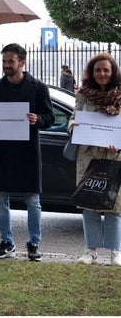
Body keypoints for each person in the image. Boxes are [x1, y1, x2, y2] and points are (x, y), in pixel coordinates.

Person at [0, 43, 54, 261]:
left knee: (33, 200)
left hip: (28, 152)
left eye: (11, 61)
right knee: (0, 198)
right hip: (2, 151)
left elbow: (50, 118)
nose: (6, 65)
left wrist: (37, 119)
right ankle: (7, 242)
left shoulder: (38, 88)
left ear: (23, 62)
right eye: (4, 61)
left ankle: (34, 243)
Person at [68, 52, 121, 266]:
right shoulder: (84, 93)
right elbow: (74, 116)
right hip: (88, 155)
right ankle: (90, 251)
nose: (101, 74)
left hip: (114, 155)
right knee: (88, 202)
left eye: (106, 70)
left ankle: (115, 251)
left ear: (113, 72)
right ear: (92, 72)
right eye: (98, 70)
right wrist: (73, 126)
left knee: (114, 204)